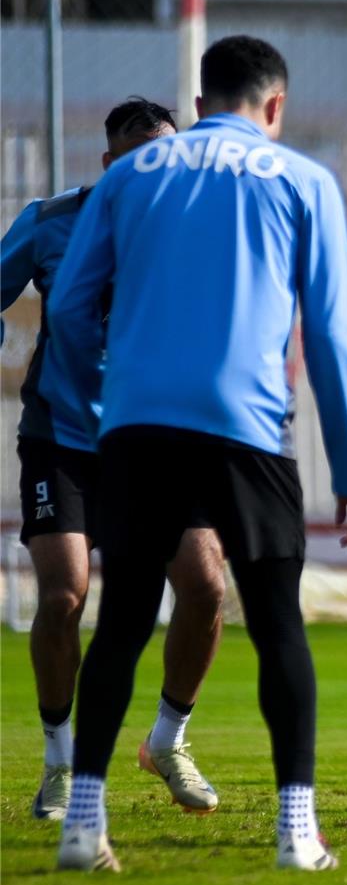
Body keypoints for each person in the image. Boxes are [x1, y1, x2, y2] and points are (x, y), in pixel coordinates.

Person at [45, 35, 347, 873]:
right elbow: (332, 334)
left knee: (120, 623)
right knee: (277, 625)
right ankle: (296, 831)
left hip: (138, 429)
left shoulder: (129, 176)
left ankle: (84, 822)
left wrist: (95, 413)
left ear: (196, 107)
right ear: (275, 107)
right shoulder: (303, 180)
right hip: (249, 430)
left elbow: (74, 310)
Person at [1, 98, 225, 823]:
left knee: (205, 586)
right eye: (131, 158)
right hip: (62, 439)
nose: (146, 172)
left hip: (160, 440)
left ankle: (168, 740)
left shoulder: (196, 233)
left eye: (159, 158)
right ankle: (60, 761)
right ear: (107, 164)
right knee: (65, 595)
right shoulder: (50, 220)